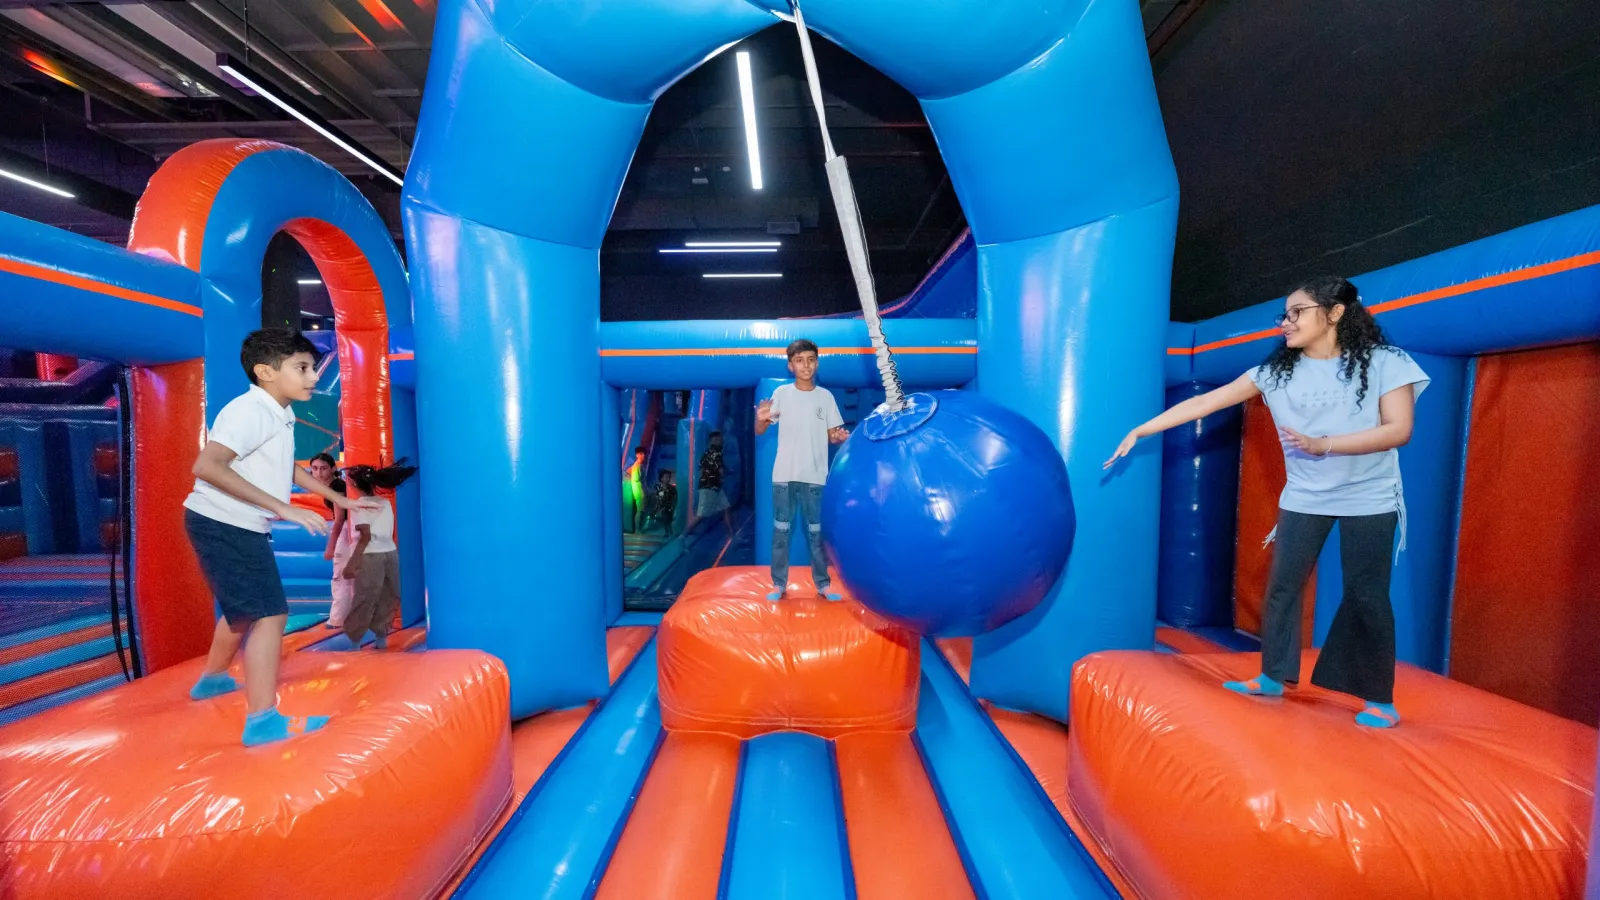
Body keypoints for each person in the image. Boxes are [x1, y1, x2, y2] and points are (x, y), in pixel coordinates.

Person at [1105, 276, 1427, 729]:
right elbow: (1208, 403)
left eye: (1298, 312)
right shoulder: (1276, 373)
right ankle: (1272, 676)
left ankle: (1379, 699)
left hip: (1369, 495)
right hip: (1305, 496)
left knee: (1367, 594)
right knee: (1282, 586)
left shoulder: (1385, 362)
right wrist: (1143, 429)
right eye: (1285, 314)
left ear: (1334, 313)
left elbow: (1399, 429)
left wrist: (1325, 444)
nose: (1286, 323)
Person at [184, 329, 381, 746]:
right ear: (265, 372)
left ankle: (213, 679)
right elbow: (208, 465)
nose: (312, 377)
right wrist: (282, 507)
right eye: (302, 368)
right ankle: (262, 721)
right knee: (271, 613)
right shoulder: (250, 410)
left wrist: (337, 498)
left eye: (312, 367)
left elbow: (287, 467)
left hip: (233, 522)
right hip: (223, 521)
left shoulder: (279, 413)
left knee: (243, 609)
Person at [756, 339, 849, 601]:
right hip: (784, 475)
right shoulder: (782, 394)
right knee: (781, 531)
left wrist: (838, 436)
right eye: (799, 360)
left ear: (816, 363)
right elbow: (761, 429)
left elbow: (832, 434)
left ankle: (823, 584)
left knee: (816, 533)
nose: (805, 365)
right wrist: (760, 419)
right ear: (791, 365)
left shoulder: (826, 397)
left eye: (810, 360)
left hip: (815, 477)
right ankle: (778, 584)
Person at [338, 461, 417, 650]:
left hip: (380, 554)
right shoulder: (370, 504)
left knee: (375, 595)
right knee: (380, 595)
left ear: (355, 485)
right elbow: (368, 536)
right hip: (380, 554)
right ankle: (361, 639)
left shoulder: (368, 504)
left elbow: (365, 537)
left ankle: (373, 636)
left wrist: (352, 563)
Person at [311, 453, 357, 631]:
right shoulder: (332, 486)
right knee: (346, 576)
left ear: (333, 469)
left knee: (340, 576)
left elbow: (339, 520)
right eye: (315, 469)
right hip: (348, 529)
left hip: (346, 530)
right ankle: (345, 616)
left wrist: (330, 547)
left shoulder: (337, 486)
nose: (319, 473)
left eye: (323, 468)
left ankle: (337, 619)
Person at [688, 431, 735, 534]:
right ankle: (683, 536)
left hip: (713, 486)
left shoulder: (705, 454)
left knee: (726, 508)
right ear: (711, 441)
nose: (718, 442)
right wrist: (725, 474)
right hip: (710, 487)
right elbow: (721, 470)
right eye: (716, 440)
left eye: (719, 439)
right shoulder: (717, 454)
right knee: (701, 515)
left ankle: (731, 533)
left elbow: (701, 468)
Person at [644, 469, 677, 534]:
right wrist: (656, 507)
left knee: (668, 520)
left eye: (669, 477)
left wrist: (673, 505)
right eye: (666, 477)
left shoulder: (672, 488)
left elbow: (674, 497)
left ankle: (669, 532)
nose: (668, 479)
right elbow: (659, 497)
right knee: (665, 519)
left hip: (669, 506)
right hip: (662, 506)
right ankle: (668, 532)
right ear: (661, 478)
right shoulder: (659, 487)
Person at [624, 446, 646, 533]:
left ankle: (639, 528)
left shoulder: (639, 465)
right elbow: (636, 480)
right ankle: (637, 529)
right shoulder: (637, 466)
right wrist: (642, 492)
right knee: (640, 510)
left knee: (641, 510)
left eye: (644, 454)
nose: (643, 455)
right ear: (637, 455)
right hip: (639, 491)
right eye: (641, 454)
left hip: (640, 490)